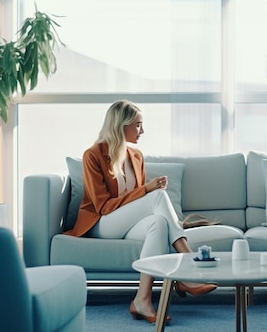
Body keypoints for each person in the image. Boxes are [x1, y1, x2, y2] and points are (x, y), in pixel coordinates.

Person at [64, 100, 216, 324]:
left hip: (125, 223)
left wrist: (146, 192)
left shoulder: (136, 156)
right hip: (101, 223)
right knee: (156, 195)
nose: (142, 130)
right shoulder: (93, 155)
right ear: (120, 125)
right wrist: (147, 190)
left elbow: (138, 205)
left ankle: (142, 300)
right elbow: (103, 206)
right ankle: (188, 268)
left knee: (159, 223)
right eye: (137, 125)